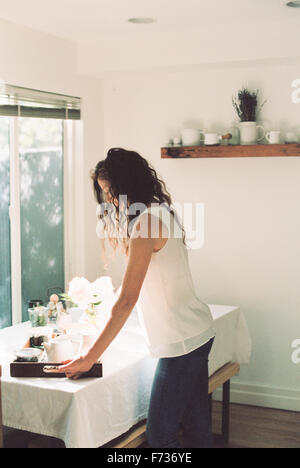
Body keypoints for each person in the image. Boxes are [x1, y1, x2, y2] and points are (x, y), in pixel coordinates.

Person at [56, 148, 216, 448]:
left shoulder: (145, 224)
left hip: (181, 344)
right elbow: (136, 288)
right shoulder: (159, 212)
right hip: (196, 332)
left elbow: (129, 299)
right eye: (104, 193)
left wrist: (90, 359)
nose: (109, 201)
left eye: (111, 192)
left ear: (127, 186)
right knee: (196, 427)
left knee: (160, 434)